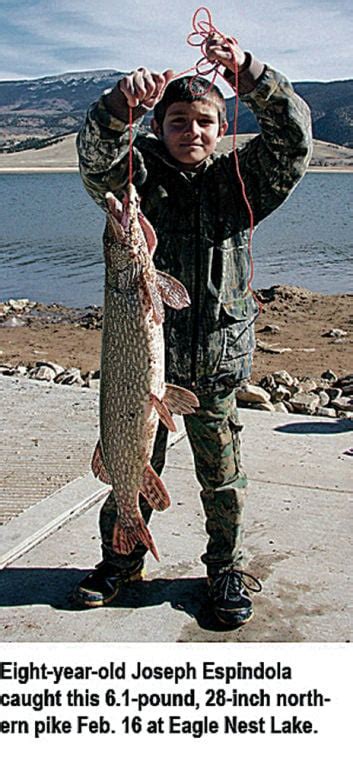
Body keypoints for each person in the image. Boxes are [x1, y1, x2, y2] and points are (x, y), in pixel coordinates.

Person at [74, 33, 312, 626]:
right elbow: (95, 162)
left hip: (216, 365)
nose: (191, 132)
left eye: (204, 121)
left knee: (222, 479)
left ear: (221, 125)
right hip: (144, 378)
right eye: (177, 121)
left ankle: (225, 567)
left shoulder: (242, 181)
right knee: (127, 465)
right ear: (158, 127)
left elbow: (294, 139)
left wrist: (252, 74)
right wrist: (113, 107)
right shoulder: (142, 178)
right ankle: (120, 559)